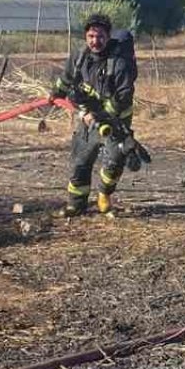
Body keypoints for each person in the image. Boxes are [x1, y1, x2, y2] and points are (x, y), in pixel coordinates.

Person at [50, 13, 136, 217]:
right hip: (88, 119)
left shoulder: (119, 63)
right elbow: (67, 79)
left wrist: (101, 117)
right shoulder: (79, 57)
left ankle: (105, 195)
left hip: (115, 122)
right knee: (81, 160)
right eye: (91, 36)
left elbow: (124, 96)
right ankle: (76, 204)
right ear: (85, 36)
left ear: (108, 37)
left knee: (114, 161)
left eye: (100, 37)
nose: (95, 41)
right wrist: (56, 93)